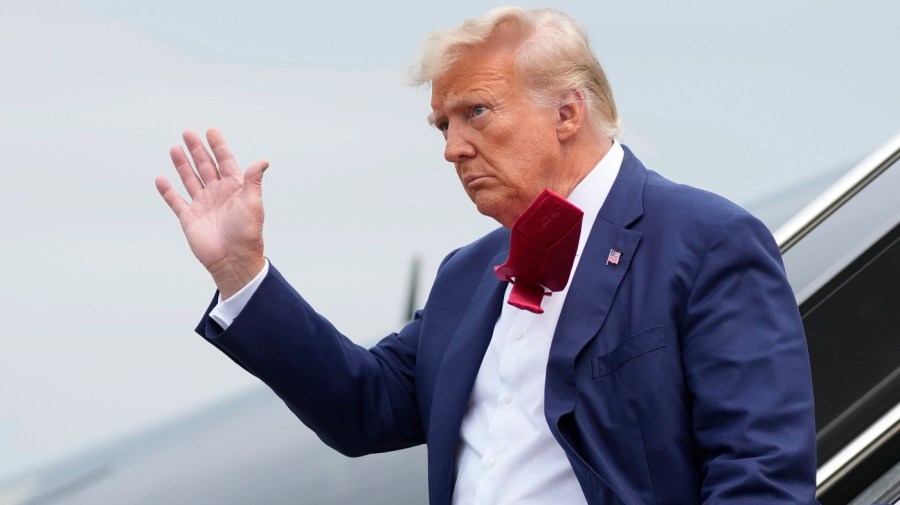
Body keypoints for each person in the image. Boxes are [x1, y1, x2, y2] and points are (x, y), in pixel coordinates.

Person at [155, 7, 818, 505]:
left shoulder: (706, 240)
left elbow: (761, 476)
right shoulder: (466, 275)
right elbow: (362, 407)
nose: (452, 147)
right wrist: (239, 269)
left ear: (566, 112)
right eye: (443, 124)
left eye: (476, 112)